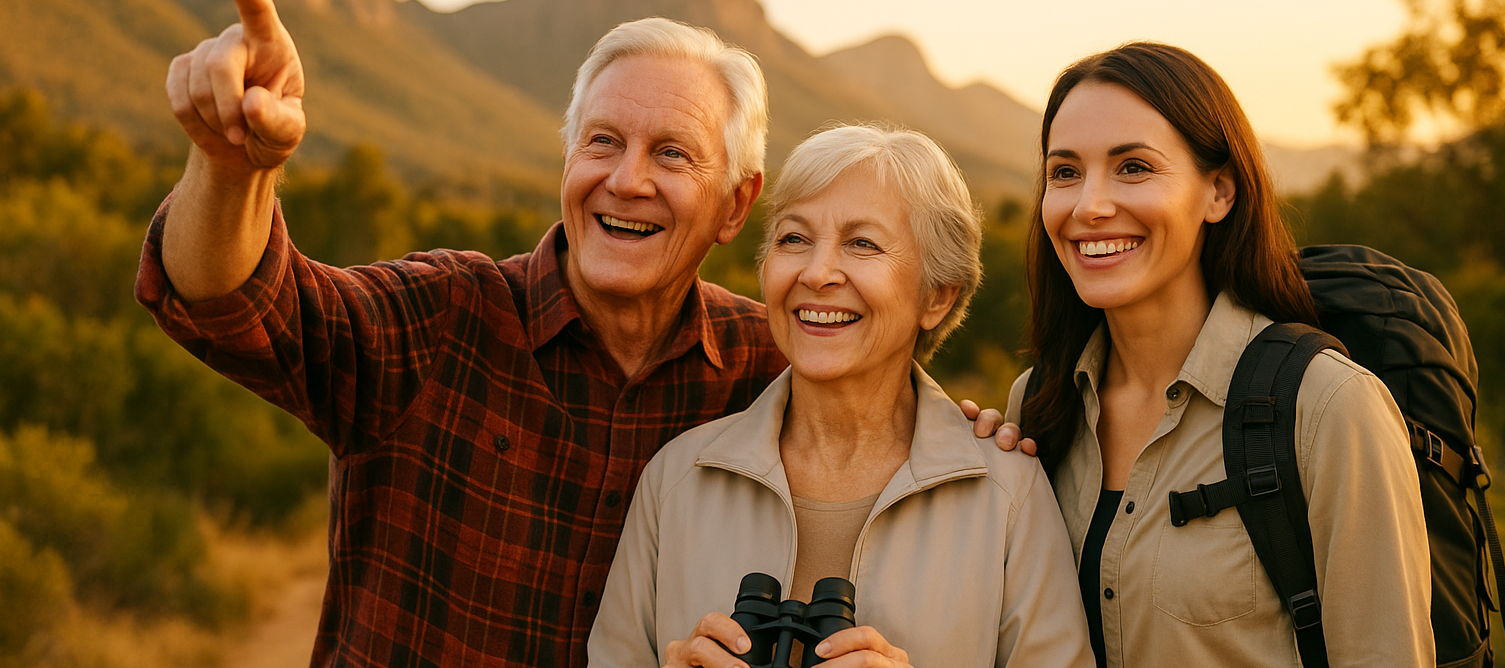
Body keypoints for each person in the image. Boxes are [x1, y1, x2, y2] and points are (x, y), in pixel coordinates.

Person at [139, 1, 1011, 665]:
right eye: (602, 143)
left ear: (735, 205)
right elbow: (239, 304)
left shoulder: (769, 363)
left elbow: (880, 412)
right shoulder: (445, 315)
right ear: (567, 164)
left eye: (672, 154)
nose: (625, 180)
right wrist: (231, 167)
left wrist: (973, 432)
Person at [588, 124, 1094, 668]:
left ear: (938, 298)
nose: (817, 272)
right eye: (793, 239)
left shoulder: (1008, 495)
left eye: (862, 244)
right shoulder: (676, 481)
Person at [1002, 43, 1433, 667]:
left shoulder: (1329, 407)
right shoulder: (1038, 405)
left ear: (1219, 192)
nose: (1089, 205)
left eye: (1133, 168)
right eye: (1065, 172)